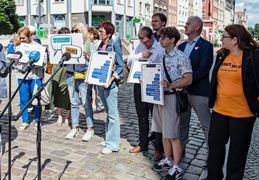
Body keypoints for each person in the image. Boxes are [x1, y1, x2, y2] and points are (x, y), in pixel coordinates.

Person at [207, 24, 259, 180]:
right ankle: (213, 177)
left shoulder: (253, 56)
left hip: (243, 114)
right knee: (215, 149)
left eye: (224, 37)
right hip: (219, 111)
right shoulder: (223, 55)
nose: (221, 39)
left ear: (235, 40)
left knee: (237, 153)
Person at [151, 26, 192, 180]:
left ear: (172, 40)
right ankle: (168, 160)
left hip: (172, 97)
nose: (159, 40)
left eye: (162, 38)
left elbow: (188, 79)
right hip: (159, 97)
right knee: (163, 132)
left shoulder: (180, 57)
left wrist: (171, 85)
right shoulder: (163, 55)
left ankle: (177, 167)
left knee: (173, 134)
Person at [178, 16, 213, 168]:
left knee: (206, 125)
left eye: (188, 24)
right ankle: (180, 151)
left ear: (197, 27)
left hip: (198, 91)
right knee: (182, 124)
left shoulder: (206, 46)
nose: (185, 26)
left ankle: (212, 156)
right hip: (181, 92)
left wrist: (188, 82)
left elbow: (204, 69)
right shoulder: (181, 46)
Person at [127, 26, 164, 160]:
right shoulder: (139, 47)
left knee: (156, 118)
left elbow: (163, 67)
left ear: (152, 38)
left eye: (147, 42)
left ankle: (159, 148)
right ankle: (143, 143)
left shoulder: (160, 48)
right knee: (141, 116)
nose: (145, 45)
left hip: (153, 85)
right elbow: (129, 62)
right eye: (142, 42)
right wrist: (139, 55)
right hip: (139, 84)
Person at [95, 20, 124, 154]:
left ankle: (113, 144)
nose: (98, 34)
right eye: (99, 31)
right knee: (108, 113)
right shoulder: (101, 44)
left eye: (101, 32)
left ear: (109, 32)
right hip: (100, 83)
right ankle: (109, 138)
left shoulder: (115, 45)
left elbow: (120, 67)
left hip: (110, 85)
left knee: (113, 115)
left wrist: (111, 79)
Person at [65, 23, 94, 141]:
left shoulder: (88, 44)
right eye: (73, 30)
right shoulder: (69, 44)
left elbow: (95, 60)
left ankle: (90, 128)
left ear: (82, 31)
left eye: (77, 30)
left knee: (86, 103)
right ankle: (75, 127)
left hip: (83, 75)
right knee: (73, 102)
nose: (74, 32)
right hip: (70, 74)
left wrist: (86, 57)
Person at [15, 26, 45, 131]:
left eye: (23, 38)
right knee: (23, 99)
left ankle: (38, 120)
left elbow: (43, 62)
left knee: (36, 100)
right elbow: (15, 63)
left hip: (35, 76)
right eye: (20, 38)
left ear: (29, 36)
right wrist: (20, 66)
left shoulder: (37, 47)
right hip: (22, 77)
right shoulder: (19, 48)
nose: (21, 40)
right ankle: (25, 121)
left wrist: (33, 64)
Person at [47, 27, 71, 126]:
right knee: (57, 92)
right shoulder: (54, 43)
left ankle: (67, 117)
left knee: (68, 94)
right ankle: (60, 116)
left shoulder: (72, 44)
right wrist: (50, 53)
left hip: (68, 68)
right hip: (57, 68)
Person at [87, 26, 105, 114]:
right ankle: (94, 102)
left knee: (98, 88)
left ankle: (100, 104)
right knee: (93, 88)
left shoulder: (99, 43)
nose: (89, 36)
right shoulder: (88, 43)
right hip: (92, 68)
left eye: (90, 34)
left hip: (98, 67)